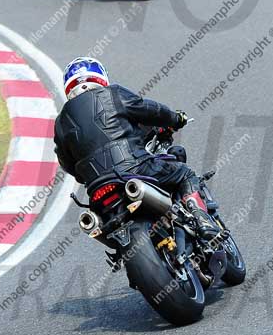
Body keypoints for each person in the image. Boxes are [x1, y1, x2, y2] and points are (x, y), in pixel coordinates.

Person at [54, 57, 220, 239]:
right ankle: (201, 218)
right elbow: (149, 109)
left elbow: (67, 162)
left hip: (98, 191)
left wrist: (87, 175)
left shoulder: (61, 122)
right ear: (100, 78)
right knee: (184, 174)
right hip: (134, 169)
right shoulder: (112, 94)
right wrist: (176, 118)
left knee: (99, 226)